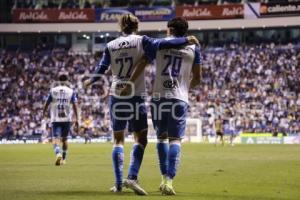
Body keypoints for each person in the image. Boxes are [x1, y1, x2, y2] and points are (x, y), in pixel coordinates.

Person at [84, 14, 199, 195]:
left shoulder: (110, 45)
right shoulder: (143, 40)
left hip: (117, 93)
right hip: (136, 94)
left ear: (120, 26)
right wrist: (186, 40)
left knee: (118, 140)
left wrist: (90, 82)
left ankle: (118, 184)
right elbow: (165, 44)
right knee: (142, 139)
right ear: (137, 26)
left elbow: (102, 68)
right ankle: (135, 177)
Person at [122, 17, 202, 195]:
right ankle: (168, 181)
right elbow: (198, 78)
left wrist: (129, 82)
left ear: (170, 29)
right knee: (175, 140)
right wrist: (184, 87)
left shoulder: (158, 44)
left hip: (159, 97)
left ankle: (163, 175)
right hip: (179, 98)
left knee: (161, 138)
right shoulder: (194, 48)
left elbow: (143, 63)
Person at [42, 73, 79, 166]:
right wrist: (77, 119)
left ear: (58, 81)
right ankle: (64, 158)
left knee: (55, 139)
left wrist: (44, 113)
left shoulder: (53, 90)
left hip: (55, 119)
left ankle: (58, 153)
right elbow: (75, 105)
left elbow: (46, 103)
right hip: (67, 119)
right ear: (67, 81)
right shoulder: (71, 91)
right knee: (65, 139)